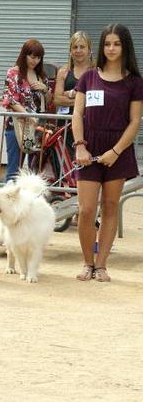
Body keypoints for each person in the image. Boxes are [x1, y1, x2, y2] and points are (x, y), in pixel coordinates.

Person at [72, 24, 143, 282]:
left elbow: (135, 122)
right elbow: (77, 114)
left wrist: (115, 151)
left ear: (125, 47)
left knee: (110, 207)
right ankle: (86, 263)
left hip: (118, 150)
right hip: (88, 149)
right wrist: (79, 145)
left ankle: (101, 265)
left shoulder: (134, 82)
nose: (111, 49)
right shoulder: (88, 78)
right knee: (86, 209)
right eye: (107, 44)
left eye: (116, 44)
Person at [1, 39, 49, 181]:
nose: (35, 60)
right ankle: (8, 202)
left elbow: (49, 101)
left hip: (38, 128)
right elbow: (9, 99)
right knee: (14, 172)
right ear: (24, 55)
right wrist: (28, 116)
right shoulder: (13, 73)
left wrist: (45, 90)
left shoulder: (42, 76)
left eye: (38, 57)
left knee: (35, 173)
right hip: (16, 126)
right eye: (32, 56)